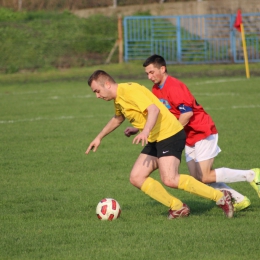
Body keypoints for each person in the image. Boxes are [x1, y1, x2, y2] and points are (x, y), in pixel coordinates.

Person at [86, 69, 234, 219]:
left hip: (169, 133)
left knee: (170, 178)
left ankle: (220, 197)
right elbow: (118, 118)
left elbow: (153, 109)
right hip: (155, 137)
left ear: (107, 84)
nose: (97, 96)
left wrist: (145, 131)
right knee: (136, 177)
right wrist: (99, 137)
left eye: (97, 91)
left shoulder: (129, 91)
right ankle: (178, 207)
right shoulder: (118, 98)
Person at [127, 54, 260, 212]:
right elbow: (159, 116)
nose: (149, 77)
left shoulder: (174, 86)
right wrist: (138, 128)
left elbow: (187, 114)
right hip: (188, 137)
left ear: (162, 69)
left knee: (205, 175)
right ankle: (239, 199)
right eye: (147, 74)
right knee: (199, 179)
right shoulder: (156, 89)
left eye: (151, 72)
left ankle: (251, 175)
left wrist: (172, 132)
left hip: (202, 131)